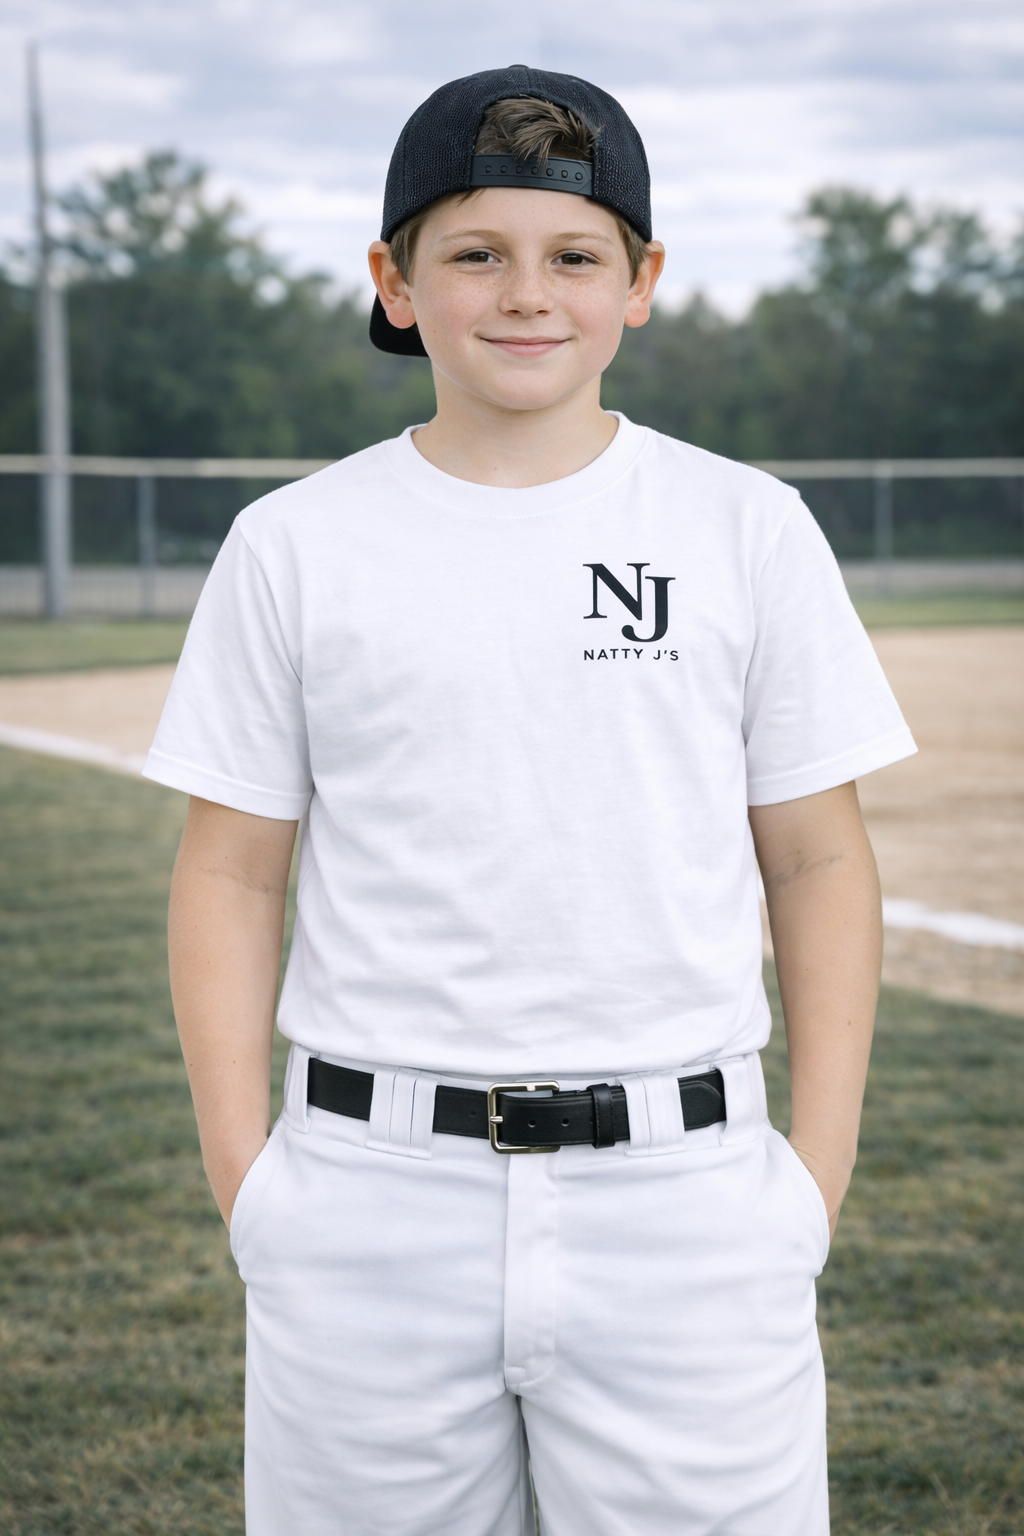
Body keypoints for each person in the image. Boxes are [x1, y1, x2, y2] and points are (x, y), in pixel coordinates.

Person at [147, 65, 916, 1536]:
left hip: (686, 1203)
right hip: (368, 1202)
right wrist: (255, 1188)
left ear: (641, 282)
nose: (525, 294)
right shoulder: (294, 544)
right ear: (394, 279)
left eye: (573, 255)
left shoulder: (744, 527)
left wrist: (806, 1187)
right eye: (475, 254)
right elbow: (233, 872)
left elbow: (817, 860)